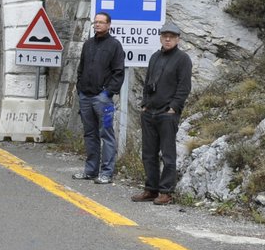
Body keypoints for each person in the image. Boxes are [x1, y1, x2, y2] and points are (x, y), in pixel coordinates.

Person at [131, 20, 192, 205]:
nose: (167, 39)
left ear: (178, 39)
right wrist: (145, 104)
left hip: (167, 114)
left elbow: (184, 87)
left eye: (171, 36)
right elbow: (148, 82)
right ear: (160, 37)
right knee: (148, 153)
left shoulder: (183, 59)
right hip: (150, 113)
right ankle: (151, 189)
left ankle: (166, 192)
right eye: (165, 36)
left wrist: (173, 108)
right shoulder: (155, 57)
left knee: (167, 154)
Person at [71, 12, 126, 185]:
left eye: (101, 22)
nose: (97, 25)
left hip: (103, 100)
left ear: (109, 25)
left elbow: (118, 72)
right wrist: (80, 88)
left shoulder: (115, 45)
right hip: (85, 97)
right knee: (89, 134)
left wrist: (107, 93)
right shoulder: (88, 45)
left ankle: (107, 173)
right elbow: (81, 69)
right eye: (96, 22)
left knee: (106, 134)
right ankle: (90, 170)